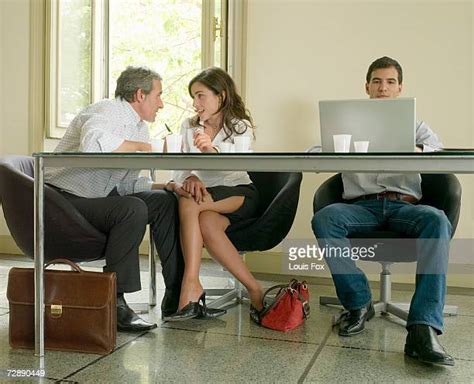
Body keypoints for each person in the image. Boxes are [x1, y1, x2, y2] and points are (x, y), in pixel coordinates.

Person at [312, 56, 455, 366]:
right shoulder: (345, 123)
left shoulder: (415, 124)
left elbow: (439, 151)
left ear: (399, 88)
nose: (383, 87)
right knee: (325, 218)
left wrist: (412, 148)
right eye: (377, 81)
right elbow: (313, 152)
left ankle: (422, 327)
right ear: (367, 86)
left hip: (406, 206)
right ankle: (359, 303)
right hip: (361, 206)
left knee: (438, 220)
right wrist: (338, 148)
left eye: (390, 82)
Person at [45, 66, 190, 332]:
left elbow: (125, 184)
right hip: (62, 201)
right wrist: (149, 149)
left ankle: (177, 295)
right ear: (139, 94)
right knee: (131, 209)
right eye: (158, 95)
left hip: (92, 199)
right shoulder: (107, 110)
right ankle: (116, 303)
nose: (161, 103)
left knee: (164, 200)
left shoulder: (139, 128)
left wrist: (167, 185)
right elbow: (92, 144)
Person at [163, 67, 264, 322]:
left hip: (239, 193)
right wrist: (189, 178)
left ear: (221, 96)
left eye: (201, 96)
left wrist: (211, 150)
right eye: (193, 97)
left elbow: (234, 167)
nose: (195, 103)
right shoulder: (189, 126)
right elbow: (180, 171)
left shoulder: (240, 126)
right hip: (207, 198)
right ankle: (255, 288)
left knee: (189, 200)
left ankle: (191, 285)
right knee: (205, 221)